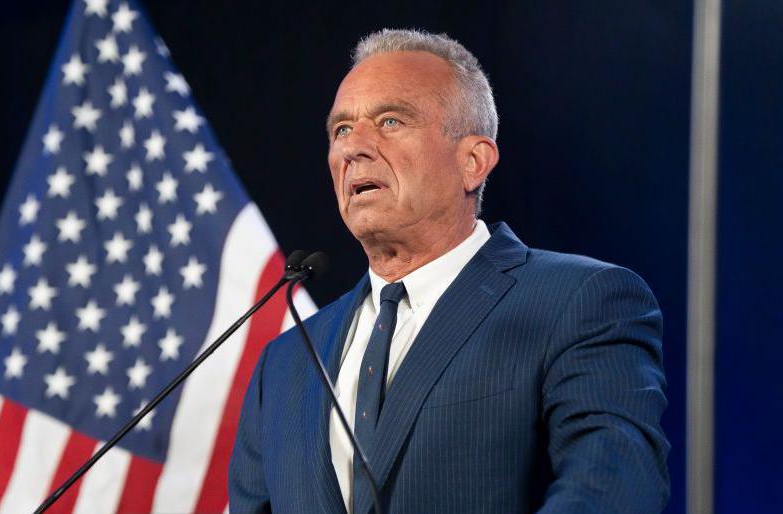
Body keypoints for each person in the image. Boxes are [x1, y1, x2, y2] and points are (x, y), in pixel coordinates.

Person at [229, 29, 669, 514]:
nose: (354, 148)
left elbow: (613, 489)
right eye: (341, 129)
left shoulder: (580, 302)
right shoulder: (286, 362)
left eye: (390, 120)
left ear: (473, 162)